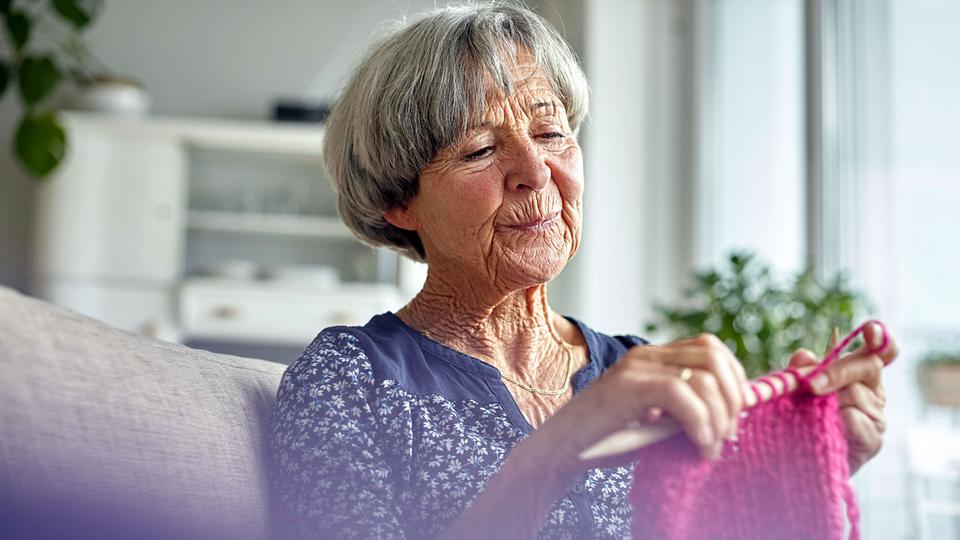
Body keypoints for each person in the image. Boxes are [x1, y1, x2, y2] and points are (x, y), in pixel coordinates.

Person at [269, 4, 899, 539]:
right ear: (397, 201)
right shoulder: (349, 378)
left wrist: (810, 468)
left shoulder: (641, 371)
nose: (536, 171)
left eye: (551, 132)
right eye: (481, 149)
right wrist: (557, 451)